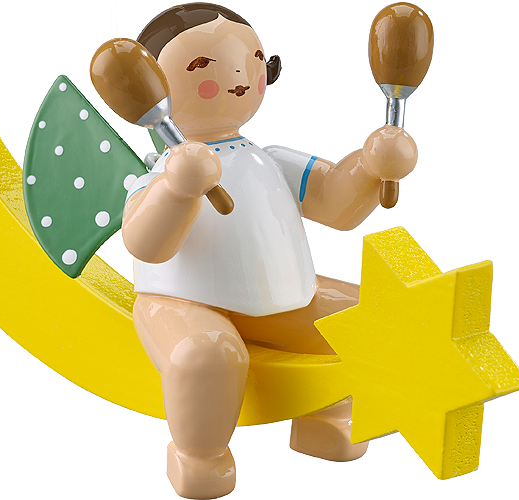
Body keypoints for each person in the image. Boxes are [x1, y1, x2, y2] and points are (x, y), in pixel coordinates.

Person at [121, 4, 418, 498]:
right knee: (207, 355)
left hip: (285, 297)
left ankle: (328, 414)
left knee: (363, 322)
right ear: (155, 94)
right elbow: (146, 246)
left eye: (255, 60)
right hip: (181, 302)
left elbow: (335, 204)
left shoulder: (270, 160)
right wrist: (177, 189)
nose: (240, 77)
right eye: (204, 67)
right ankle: (199, 455)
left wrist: (371, 165)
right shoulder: (159, 174)